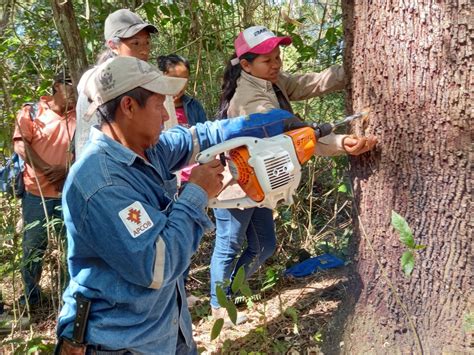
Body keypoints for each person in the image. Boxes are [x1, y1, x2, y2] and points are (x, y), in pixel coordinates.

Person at [55, 56, 297, 353]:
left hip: (168, 331)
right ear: (129, 106)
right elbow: (158, 265)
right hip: (121, 344)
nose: (167, 117)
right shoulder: (101, 184)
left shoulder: (147, 149)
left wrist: (267, 124)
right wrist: (197, 192)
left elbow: (201, 136)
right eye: (159, 106)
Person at [209, 25, 377, 319]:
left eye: (278, 57)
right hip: (236, 184)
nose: (276, 65)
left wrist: (351, 70)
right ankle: (218, 304)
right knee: (229, 244)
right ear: (245, 64)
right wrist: (340, 142)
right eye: (267, 60)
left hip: (261, 184)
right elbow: (292, 138)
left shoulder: (269, 79)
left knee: (263, 245)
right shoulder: (249, 100)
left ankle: (232, 291)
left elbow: (303, 84)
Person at [13, 71, 76, 307]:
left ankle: (67, 297)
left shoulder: (79, 115)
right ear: (56, 86)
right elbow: (21, 145)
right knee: (33, 247)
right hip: (36, 192)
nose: (74, 92)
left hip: (68, 192)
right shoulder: (32, 112)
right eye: (70, 86)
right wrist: (47, 169)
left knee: (70, 246)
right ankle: (31, 297)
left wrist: (66, 170)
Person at [158, 54, 208, 307]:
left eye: (184, 80)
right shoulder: (153, 103)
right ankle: (166, 294)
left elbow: (206, 136)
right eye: (174, 79)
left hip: (191, 180)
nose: (180, 86)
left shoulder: (192, 106)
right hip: (163, 182)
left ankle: (182, 291)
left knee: (186, 235)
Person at [74, 8, 158, 159]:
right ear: (113, 45)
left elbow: (168, 123)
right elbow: (85, 138)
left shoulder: (153, 77)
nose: (144, 50)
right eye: (136, 43)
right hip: (114, 169)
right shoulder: (95, 82)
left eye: (147, 42)